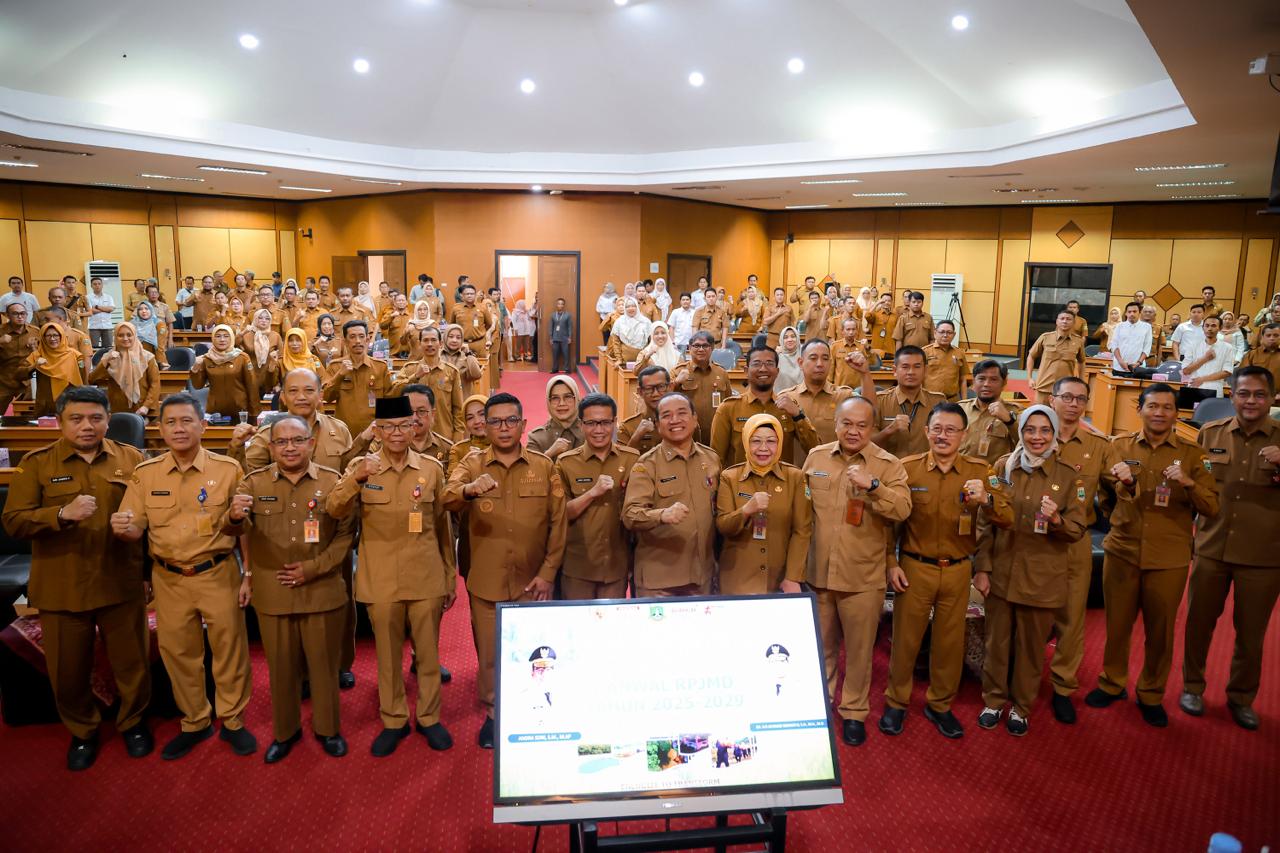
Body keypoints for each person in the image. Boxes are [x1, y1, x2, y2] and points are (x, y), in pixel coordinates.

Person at [2, 386, 152, 770]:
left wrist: (146, 565)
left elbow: (154, 517)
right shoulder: (37, 463)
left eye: (96, 418)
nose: (87, 426)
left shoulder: (133, 459)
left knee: (133, 664)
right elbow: (13, 521)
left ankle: (134, 723)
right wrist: (60, 515)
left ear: (108, 420)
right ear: (61, 422)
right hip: (62, 584)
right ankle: (83, 731)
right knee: (68, 670)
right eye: (77, 418)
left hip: (120, 580)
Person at [110, 392, 257, 760]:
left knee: (229, 650)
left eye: (187, 421)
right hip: (169, 578)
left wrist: (248, 574)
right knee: (179, 654)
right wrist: (122, 529)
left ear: (203, 426)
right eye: (171, 422)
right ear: (160, 429)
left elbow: (244, 527)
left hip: (218, 571)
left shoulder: (227, 469)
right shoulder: (146, 474)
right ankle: (195, 721)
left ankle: (233, 720)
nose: (179, 428)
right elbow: (134, 528)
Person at [1085, 383, 1219, 727]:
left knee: (1160, 632)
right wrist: (1123, 504)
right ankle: (1112, 683)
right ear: (1139, 410)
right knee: (1117, 625)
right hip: (1123, 549)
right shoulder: (1119, 447)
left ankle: (1151, 693)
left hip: (1169, 557)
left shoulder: (1193, 454)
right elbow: (1105, 496)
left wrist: (1189, 483)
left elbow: (1212, 507)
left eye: (1167, 407)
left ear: (1177, 414)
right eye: (1152, 406)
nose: (1159, 413)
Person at [328, 396, 457, 756]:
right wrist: (356, 479)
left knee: (428, 655)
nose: (396, 433)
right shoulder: (362, 467)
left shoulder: (431, 469)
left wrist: (449, 576)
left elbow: (443, 528)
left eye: (403, 425)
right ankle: (394, 719)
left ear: (415, 427)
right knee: (387, 658)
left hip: (426, 576)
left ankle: (429, 717)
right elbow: (334, 508)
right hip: (381, 578)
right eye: (388, 427)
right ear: (378, 431)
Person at [222, 415, 354, 762]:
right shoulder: (253, 483)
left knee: (324, 667)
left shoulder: (333, 481)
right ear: (271, 447)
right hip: (274, 591)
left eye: (297, 440)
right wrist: (233, 517)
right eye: (281, 442)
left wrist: (313, 568)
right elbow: (234, 530)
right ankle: (285, 731)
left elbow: (345, 536)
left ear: (311, 443)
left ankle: (328, 729)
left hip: (322, 589)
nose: (289, 448)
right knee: (281, 669)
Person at [878, 403, 1012, 740]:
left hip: (958, 570)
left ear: (963, 435)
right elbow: (890, 524)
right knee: (905, 641)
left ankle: (940, 704)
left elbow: (1007, 518)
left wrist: (988, 501)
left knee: (949, 644)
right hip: (914, 567)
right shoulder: (907, 469)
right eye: (937, 428)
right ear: (926, 431)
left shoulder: (980, 471)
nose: (943, 435)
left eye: (951, 430)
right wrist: (891, 563)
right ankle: (896, 701)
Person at [444, 392, 567, 749]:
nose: (503, 427)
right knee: (490, 654)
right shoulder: (472, 464)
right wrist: (469, 490)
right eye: (495, 421)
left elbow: (558, 524)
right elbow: (447, 497)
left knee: (537, 652)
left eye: (511, 420)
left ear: (523, 424)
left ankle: (535, 707)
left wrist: (548, 573)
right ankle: (494, 713)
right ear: (485, 426)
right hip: (487, 579)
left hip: (533, 581)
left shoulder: (544, 467)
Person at [802, 396, 911, 746]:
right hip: (818, 573)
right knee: (821, 647)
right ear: (836, 424)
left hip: (862, 577)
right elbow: (802, 513)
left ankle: (853, 712)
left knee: (860, 653)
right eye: (847, 423)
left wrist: (874, 486)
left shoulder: (888, 464)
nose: (854, 431)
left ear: (872, 427)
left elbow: (903, 510)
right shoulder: (816, 457)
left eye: (862, 425)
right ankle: (820, 706)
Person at [974, 406, 1087, 737]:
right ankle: (993, 700)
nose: (1037, 437)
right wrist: (982, 568)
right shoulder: (1002, 468)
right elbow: (985, 521)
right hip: (1001, 572)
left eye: (1045, 430)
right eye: (1030, 430)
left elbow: (1077, 530)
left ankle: (1021, 707)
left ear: (1054, 434)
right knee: (996, 643)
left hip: (1041, 578)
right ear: (1021, 432)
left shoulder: (1068, 477)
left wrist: (1057, 521)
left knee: (1030, 648)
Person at [1179, 366, 1279, 731]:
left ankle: (1241, 697)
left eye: (1259, 394)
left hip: (1264, 555)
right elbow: (1194, 486)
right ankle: (1192, 687)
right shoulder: (1210, 433)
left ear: (1271, 399)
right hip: (1212, 547)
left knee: (1251, 635)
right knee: (1198, 624)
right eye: (1244, 393)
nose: (1251, 401)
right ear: (1231, 395)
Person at [1044, 376, 1118, 723]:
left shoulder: (1098, 446)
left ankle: (1062, 687)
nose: (1073, 404)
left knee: (1072, 618)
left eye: (1080, 399)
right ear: (1052, 399)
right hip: (1032, 541)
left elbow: (1117, 490)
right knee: (1027, 614)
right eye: (1067, 397)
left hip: (1074, 541)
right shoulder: (1033, 434)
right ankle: (1020, 676)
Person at [623, 393, 721, 596]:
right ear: (658, 425)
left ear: (695, 419)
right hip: (659, 581)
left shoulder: (712, 459)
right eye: (667, 415)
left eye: (682, 413)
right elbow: (630, 515)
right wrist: (661, 515)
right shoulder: (646, 465)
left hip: (702, 576)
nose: (675, 420)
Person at [554, 393, 640, 600]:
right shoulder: (566, 463)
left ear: (615, 422)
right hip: (577, 567)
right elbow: (560, 514)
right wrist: (592, 493)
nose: (599, 430)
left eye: (605, 423)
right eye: (591, 423)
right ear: (581, 425)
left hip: (617, 565)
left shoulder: (632, 459)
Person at [714, 413, 812, 594]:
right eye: (756, 441)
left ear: (780, 443)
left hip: (780, 579)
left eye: (771, 441)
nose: (763, 448)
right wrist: (746, 510)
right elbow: (723, 526)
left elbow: (802, 531)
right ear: (746, 442)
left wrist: (792, 577)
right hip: (738, 579)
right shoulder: (729, 477)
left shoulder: (795, 477)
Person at [710, 345, 818, 469]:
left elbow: (814, 449)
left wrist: (798, 416)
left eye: (769, 363)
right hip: (741, 480)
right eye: (757, 364)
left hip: (781, 480)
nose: (763, 369)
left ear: (777, 371)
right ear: (746, 371)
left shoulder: (790, 407)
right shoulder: (728, 408)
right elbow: (716, 459)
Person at [777, 339, 874, 462]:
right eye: (813, 358)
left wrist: (865, 373)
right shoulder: (787, 398)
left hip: (836, 470)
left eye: (825, 358)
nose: (820, 364)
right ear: (801, 363)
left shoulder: (844, 397)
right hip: (797, 472)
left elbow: (870, 413)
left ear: (830, 363)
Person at [870, 345, 946, 458]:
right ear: (895, 370)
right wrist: (890, 430)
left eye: (917, 367)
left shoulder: (938, 402)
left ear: (925, 370)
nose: (911, 372)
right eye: (905, 367)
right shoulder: (879, 401)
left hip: (925, 467)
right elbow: (867, 445)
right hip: (889, 467)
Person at [391, 326, 465, 441]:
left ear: (440, 343)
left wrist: (457, 438)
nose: (429, 344)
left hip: (443, 437)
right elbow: (393, 393)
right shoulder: (410, 369)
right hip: (413, 437)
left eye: (433, 340)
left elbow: (458, 410)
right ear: (420, 344)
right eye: (425, 340)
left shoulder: (451, 372)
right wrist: (415, 377)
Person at [323, 320, 392, 435]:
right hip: (345, 435)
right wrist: (340, 375)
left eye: (361, 336)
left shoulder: (380, 367)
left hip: (374, 435)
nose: (358, 341)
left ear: (367, 339)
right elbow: (327, 397)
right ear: (345, 341)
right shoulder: (335, 366)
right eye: (352, 337)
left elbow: (389, 402)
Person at [87, 322, 159, 418]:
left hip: (143, 411)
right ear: (115, 337)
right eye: (120, 335)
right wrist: (106, 361)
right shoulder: (109, 357)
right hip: (118, 410)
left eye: (129, 335)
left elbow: (155, 384)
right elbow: (92, 379)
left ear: (135, 336)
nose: (125, 338)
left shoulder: (147, 357)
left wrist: (146, 406)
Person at [671, 330, 733, 443]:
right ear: (690, 348)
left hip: (716, 433)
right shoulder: (678, 371)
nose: (701, 349)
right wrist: (677, 382)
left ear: (712, 348)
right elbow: (665, 400)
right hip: (687, 433)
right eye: (696, 346)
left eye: (705, 346)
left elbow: (729, 403)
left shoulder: (721, 373)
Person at [190, 325, 259, 422]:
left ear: (232, 338)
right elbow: (197, 385)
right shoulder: (206, 359)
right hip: (215, 411)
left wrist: (254, 412)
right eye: (218, 336)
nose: (222, 339)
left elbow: (252, 385)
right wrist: (195, 368)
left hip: (240, 409)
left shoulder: (242, 358)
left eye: (226, 336)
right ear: (213, 338)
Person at [958, 360, 1021, 464]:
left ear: (1004, 383)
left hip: (993, 472)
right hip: (961, 470)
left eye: (994, 379)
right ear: (974, 381)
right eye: (981, 379)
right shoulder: (960, 409)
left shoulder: (1015, 412)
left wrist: (1009, 421)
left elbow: (1026, 444)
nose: (986, 384)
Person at [1026, 309, 1087, 404]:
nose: (1065, 321)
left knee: (1062, 413)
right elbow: (1031, 356)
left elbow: (1081, 361)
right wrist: (1029, 378)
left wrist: (1082, 381)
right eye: (1062, 318)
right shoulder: (1045, 337)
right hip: (1044, 387)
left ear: (1073, 322)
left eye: (1068, 319)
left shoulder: (1078, 341)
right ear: (1057, 321)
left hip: (1065, 390)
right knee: (1041, 412)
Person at [25, 322, 84, 418]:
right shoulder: (36, 355)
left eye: (55, 335)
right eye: (48, 336)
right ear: (43, 338)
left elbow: (81, 379)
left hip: (69, 403)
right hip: (45, 406)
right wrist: (34, 366)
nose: (52, 339)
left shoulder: (75, 355)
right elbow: (19, 374)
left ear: (61, 336)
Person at [1179, 314, 1236, 407]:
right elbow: (1185, 370)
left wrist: (1202, 379)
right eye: (1207, 325)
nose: (1209, 329)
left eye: (1213, 326)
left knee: (1212, 415)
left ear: (1220, 328)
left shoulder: (1227, 348)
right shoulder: (1193, 345)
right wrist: (1205, 358)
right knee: (1187, 414)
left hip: (1215, 388)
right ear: (1203, 328)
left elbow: (1227, 372)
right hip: (1194, 387)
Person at [527, 375, 585, 460]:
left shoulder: (590, 433)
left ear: (577, 399)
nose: (561, 403)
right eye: (555, 398)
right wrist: (549, 454)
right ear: (549, 402)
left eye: (567, 396)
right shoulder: (536, 438)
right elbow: (531, 468)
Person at [0, 302, 40, 418]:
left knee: (28, 416)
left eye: (23, 313)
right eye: (15, 314)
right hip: (4, 380)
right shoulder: (1, 331)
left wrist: (34, 348)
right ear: (7, 315)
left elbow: (42, 356)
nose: (20, 316)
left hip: (26, 381)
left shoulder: (35, 331)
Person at [618, 366, 669, 457]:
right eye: (649, 389)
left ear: (669, 387)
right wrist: (637, 436)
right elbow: (621, 463)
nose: (655, 394)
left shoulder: (682, 422)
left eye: (661, 387)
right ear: (640, 392)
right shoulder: (628, 427)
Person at [922, 320, 966, 402]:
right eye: (942, 332)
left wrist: (964, 401)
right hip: (929, 400)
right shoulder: (925, 352)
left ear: (954, 335)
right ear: (935, 333)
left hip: (952, 400)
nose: (945, 335)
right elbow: (918, 378)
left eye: (949, 332)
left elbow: (963, 379)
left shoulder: (959, 353)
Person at [241, 308, 282, 395]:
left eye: (267, 318)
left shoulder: (275, 336)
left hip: (269, 375)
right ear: (255, 319)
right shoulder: (247, 335)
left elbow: (281, 357)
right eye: (260, 318)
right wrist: (242, 333)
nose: (264, 320)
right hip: (250, 374)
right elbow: (236, 348)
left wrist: (278, 382)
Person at [1109, 302, 1153, 377]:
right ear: (1126, 313)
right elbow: (1114, 345)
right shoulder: (1119, 326)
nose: (1132, 314)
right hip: (1119, 366)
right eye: (1129, 312)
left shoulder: (1147, 327)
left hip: (1137, 368)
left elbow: (1147, 348)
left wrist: (1138, 363)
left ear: (1139, 313)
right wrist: (1121, 362)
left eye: (1134, 311)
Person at [448, 284, 492, 357]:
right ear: (462, 296)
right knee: (461, 363)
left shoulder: (482, 307)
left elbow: (489, 323)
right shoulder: (456, 308)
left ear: (475, 295)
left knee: (481, 363)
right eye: (467, 294)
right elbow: (452, 325)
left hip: (479, 343)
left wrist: (479, 331)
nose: (469, 296)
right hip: (462, 343)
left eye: (472, 294)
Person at [441, 323, 484, 398]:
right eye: (451, 337)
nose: (454, 340)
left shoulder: (467, 356)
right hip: (443, 399)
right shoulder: (438, 356)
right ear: (445, 338)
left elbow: (477, 375)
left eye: (458, 338)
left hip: (463, 398)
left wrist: (468, 354)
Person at [1240, 322, 1279, 400]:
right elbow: (1243, 376)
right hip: (1254, 399)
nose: (1272, 338)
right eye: (1268, 335)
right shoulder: (1252, 354)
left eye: (1276, 335)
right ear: (1262, 337)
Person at [608, 297, 651, 363]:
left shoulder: (646, 322)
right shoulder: (619, 322)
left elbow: (651, 341)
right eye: (627, 306)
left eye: (633, 306)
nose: (630, 308)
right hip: (625, 360)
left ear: (637, 307)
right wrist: (619, 359)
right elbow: (616, 342)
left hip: (643, 360)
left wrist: (647, 356)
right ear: (625, 308)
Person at [831, 318, 870, 388]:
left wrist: (868, 348)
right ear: (842, 331)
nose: (851, 332)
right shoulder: (835, 346)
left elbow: (870, 364)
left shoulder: (861, 346)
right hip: (840, 388)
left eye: (853, 329)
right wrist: (830, 386)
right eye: (848, 329)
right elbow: (830, 369)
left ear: (857, 331)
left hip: (858, 388)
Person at [131, 301, 169, 367]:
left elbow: (160, 346)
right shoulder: (132, 323)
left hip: (153, 360)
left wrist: (161, 362)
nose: (144, 311)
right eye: (140, 309)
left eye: (146, 308)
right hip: (136, 359)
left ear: (151, 310)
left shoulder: (159, 324)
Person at [85, 277, 116, 349]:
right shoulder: (87, 297)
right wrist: (105, 309)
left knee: (108, 348)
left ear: (102, 285)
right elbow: (90, 310)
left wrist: (97, 307)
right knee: (93, 348)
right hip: (94, 326)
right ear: (91, 286)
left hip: (107, 326)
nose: (97, 285)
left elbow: (111, 309)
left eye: (99, 284)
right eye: (95, 284)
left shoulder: (109, 297)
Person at [548, 297, 573, 373]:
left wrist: (570, 337)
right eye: (559, 304)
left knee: (566, 355)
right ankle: (555, 369)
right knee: (555, 355)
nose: (560, 305)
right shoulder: (553, 315)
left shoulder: (568, 315)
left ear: (564, 305)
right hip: (555, 338)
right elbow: (550, 327)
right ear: (556, 305)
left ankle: (567, 369)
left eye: (562, 304)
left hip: (565, 338)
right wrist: (551, 337)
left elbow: (569, 327)